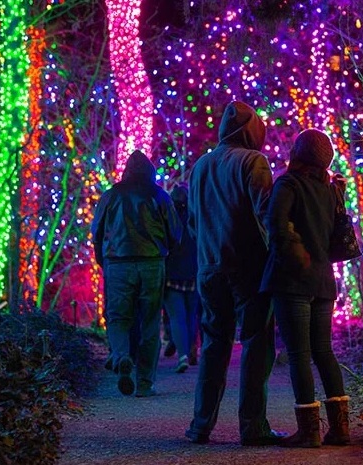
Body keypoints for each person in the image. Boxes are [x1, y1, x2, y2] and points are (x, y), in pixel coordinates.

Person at [185, 100, 284, 446]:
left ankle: (201, 425)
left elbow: (193, 222)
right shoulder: (253, 162)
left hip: (208, 268)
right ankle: (253, 426)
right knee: (256, 344)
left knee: (214, 345)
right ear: (251, 130)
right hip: (248, 269)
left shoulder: (200, 166)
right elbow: (265, 215)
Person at [260, 128, 350, 448]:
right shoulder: (330, 189)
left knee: (299, 353)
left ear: (297, 152)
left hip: (294, 282)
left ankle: (310, 431)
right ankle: (340, 429)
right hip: (324, 281)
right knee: (323, 351)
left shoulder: (288, 183)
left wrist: (297, 257)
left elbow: (276, 225)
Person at [91, 150, 182, 397]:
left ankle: (121, 356)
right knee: (150, 321)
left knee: (119, 318)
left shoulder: (110, 196)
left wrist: (104, 260)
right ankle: (145, 382)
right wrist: (164, 254)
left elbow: (97, 231)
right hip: (152, 263)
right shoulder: (160, 196)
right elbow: (175, 233)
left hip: (118, 263)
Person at [162, 184, 200, 373]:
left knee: (176, 316)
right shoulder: (196, 217)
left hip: (172, 274)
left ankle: (182, 354)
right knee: (191, 315)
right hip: (193, 272)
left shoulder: (167, 218)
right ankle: (192, 347)